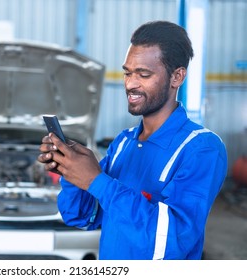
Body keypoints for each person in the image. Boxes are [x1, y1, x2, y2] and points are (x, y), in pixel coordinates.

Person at [37, 20, 228, 260]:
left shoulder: (201, 148)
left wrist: (96, 180)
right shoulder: (123, 143)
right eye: (128, 72)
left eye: (143, 74)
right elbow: (84, 216)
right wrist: (71, 172)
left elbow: (171, 241)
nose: (130, 84)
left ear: (177, 77)